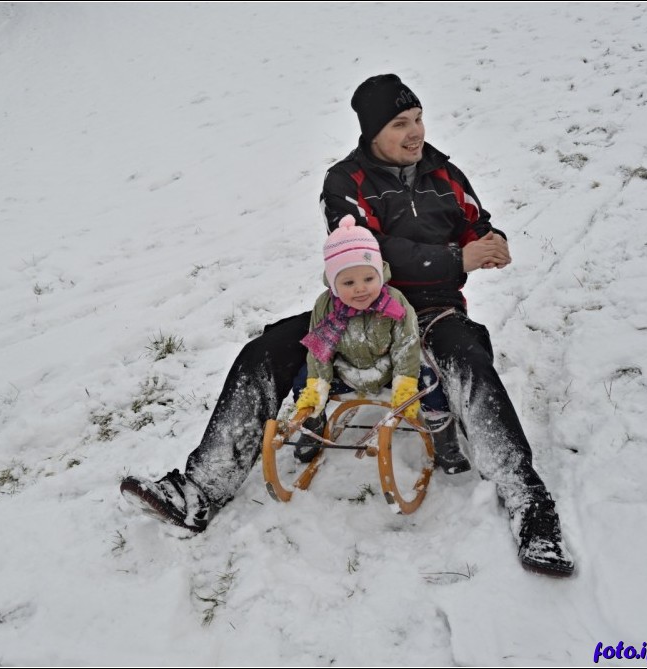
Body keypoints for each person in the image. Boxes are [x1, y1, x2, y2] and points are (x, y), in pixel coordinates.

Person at [120, 73, 575, 577]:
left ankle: (528, 502)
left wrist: (492, 242)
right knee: (264, 351)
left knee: (469, 362)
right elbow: (370, 256)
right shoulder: (346, 182)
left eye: (419, 119)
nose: (415, 132)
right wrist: (457, 256)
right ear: (372, 131)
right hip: (354, 311)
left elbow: (477, 224)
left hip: (431, 313)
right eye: (400, 123)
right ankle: (201, 489)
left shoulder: (444, 174)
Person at [291, 214, 465, 470]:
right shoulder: (325, 306)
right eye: (349, 282)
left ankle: (442, 433)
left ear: (380, 274)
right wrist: (317, 386)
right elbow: (320, 351)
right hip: (346, 369)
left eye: (368, 279)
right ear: (334, 283)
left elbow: (407, 345)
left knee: (430, 380)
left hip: (390, 369)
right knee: (304, 378)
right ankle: (313, 425)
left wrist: (405, 382)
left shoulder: (394, 302)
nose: (361, 289)